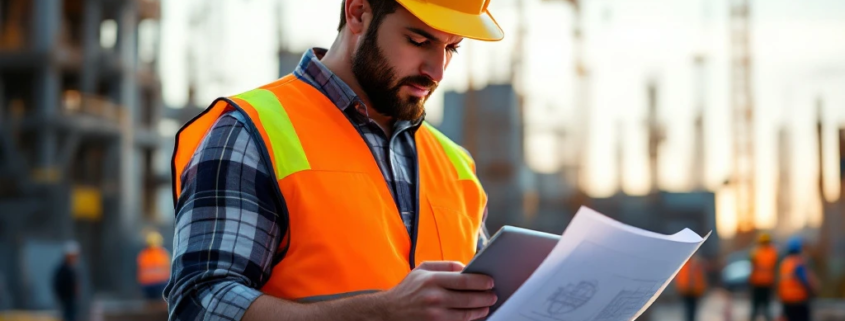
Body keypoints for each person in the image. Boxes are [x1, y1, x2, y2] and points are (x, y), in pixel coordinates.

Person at [164, 0, 505, 320]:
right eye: (418, 41)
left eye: (451, 48)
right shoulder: (251, 132)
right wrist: (380, 313)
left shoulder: (455, 163)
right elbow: (201, 304)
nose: (437, 71)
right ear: (358, 13)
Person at [778, 237, 816, 321]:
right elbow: (805, 281)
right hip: (799, 301)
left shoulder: (784, 263)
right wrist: (813, 290)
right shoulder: (798, 262)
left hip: (786, 301)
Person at [749, 232, 777, 321]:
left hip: (757, 283)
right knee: (767, 306)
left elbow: (752, 267)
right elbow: (775, 268)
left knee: (755, 307)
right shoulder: (773, 253)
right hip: (768, 284)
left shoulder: (755, 252)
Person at [137, 231, 171, 300]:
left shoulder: (144, 254)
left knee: (152, 304)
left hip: (152, 283)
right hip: (157, 283)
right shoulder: (162, 253)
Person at [52, 241, 80, 321]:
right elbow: (58, 285)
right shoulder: (63, 270)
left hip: (71, 301)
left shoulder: (72, 269)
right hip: (66, 301)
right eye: (73, 256)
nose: (75, 258)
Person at [675, 256, 707, 321]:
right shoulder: (692, 262)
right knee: (690, 309)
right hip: (690, 289)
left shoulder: (685, 261)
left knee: (689, 309)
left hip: (689, 289)